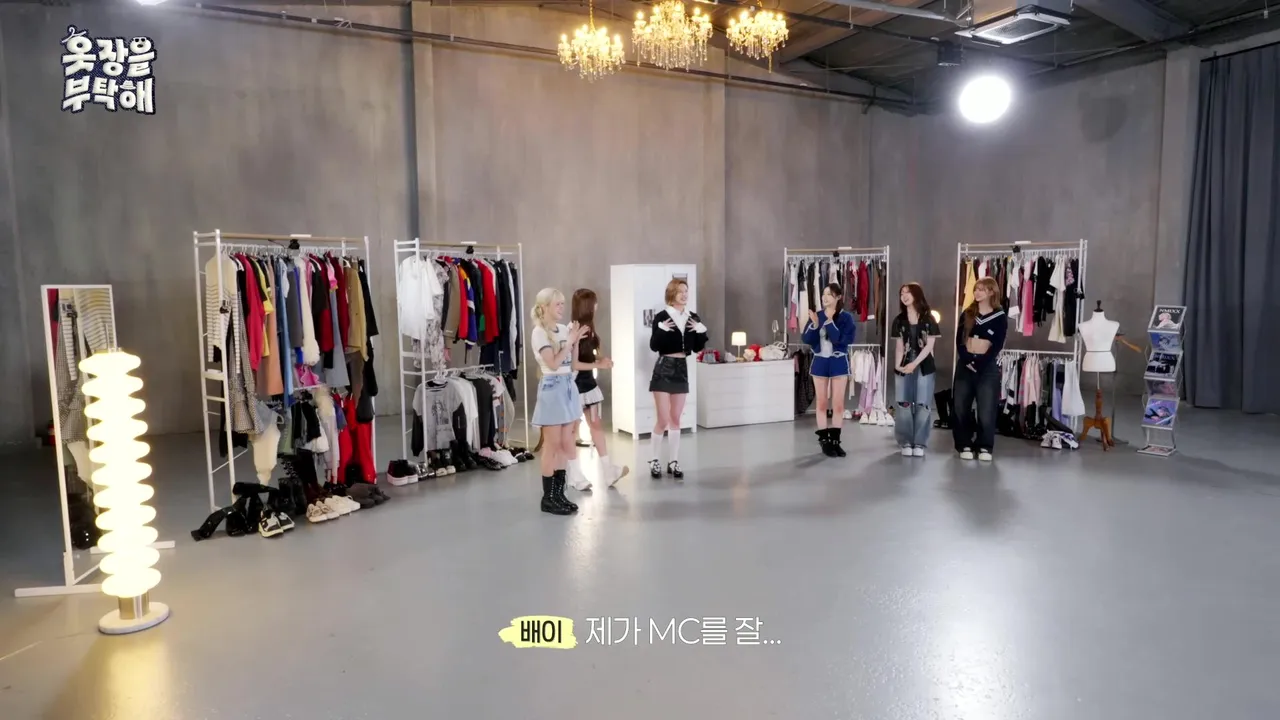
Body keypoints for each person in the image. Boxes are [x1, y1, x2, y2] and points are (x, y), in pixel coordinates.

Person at [530, 288, 589, 515]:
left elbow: (571, 364)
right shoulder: (539, 333)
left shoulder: (564, 329)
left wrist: (575, 342)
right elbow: (553, 364)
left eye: (563, 304)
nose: (562, 308)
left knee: (566, 443)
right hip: (552, 388)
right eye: (557, 304)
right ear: (544, 307)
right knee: (552, 445)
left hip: (567, 386)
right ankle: (548, 498)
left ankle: (559, 494)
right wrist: (569, 342)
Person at [567, 288, 629, 491]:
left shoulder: (589, 328)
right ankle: (574, 475)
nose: (597, 306)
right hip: (575, 384)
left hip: (587, 383)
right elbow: (574, 364)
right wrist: (599, 365)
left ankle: (608, 470)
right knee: (572, 429)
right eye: (594, 302)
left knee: (596, 425)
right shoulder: (574, 329)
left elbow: (585, 357)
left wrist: (600, 360)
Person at [647, 279, 709, 479]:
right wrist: (661, 330)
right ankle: (654, 460)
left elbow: (697, 347)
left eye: (686, 291)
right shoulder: (662, 316)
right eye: (680, 291)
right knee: (663, 419)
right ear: (671, 294)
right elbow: (654, 346)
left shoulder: (692, 317)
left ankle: (673, 461)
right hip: (664, 367)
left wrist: (701, 332)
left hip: (681, 368)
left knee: (675, 418)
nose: (684, 294)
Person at [953, 276, 1007, 462]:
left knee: (986, 408)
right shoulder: (967, 314)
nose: (977, 292)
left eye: (981, 289)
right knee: (961, 406)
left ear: (992, 292)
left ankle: (985, 445)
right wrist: (967, 359)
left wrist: (980, 363)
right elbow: (960, 340)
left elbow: (997, 344)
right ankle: (964, 443)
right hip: (965, 365)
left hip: (987, 368)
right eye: (976, 289)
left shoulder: (999, 316)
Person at [800, 283, 856, 457]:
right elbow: (806, 339)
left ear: (838, 297)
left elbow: (842, 341)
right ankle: (824, 442)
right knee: (822, 403)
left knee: (838, 405)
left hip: (838, 362)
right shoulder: (817, 315)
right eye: (824, 294)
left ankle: (835, 441)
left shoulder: (846, 318)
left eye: (829, 294)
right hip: (820, 362)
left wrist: (830, 322)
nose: (825, 297)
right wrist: (815, 325)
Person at [891, 283, 941, 457]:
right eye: (901, 293)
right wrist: (898, 365)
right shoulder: (899, 320)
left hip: (924, 366)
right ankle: (905, 441)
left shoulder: (928, 319)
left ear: (917, 295)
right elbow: (899, 346)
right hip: (904, 364)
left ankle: (919, 443)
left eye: (908, 293)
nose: (904, 296)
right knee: (903, 403)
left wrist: (915, 364)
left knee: (923, 404)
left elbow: (929, 346)